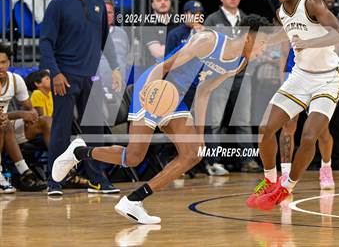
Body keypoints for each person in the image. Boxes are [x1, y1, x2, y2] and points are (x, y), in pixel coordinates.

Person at [51, 14, 272, 224]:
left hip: (177, 98)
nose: (263, 51)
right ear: (250, 36)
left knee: (193, 154)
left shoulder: (238, 63)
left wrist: (201, 132)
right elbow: (164, 66)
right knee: (134, 157)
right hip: (155, 86)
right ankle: (79, 152)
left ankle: (134, 200)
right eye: (262, 44)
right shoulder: (208, 40)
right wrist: (149, 96)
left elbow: (204, 92)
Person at [246, 0, 339, 211]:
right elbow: (290, 36)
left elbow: (338, 34)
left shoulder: (311, 2)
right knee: (265, 128)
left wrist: (310, 43)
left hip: (328, 77)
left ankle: (287, 187)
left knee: (310, 136)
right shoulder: (281, 12)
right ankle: (270, 180)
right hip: (300, 75)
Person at [39, 0, 123, 196]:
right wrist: (55, 73)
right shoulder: (58, 5)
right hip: (65, 77)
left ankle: (97, 180)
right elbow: (45, 42)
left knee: (94, 131)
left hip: (92, 76)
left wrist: (115, 67)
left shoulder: (97, 1)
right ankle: (53, 181)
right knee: (61, 130)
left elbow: (105, 38)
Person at [278, 0, 337, 190]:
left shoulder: (325, 23)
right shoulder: (290, 16)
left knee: (320, 132)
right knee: (288, 126)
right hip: (296, 76)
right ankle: (284, 174)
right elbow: (285, 50)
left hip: (322, 78)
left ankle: (326, 167)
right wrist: (282, 77)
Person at [204, 0, 261, 175]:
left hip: (243, 76)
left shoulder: (246, 19)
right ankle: (213, 161)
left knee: (243, 121)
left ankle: (248, 160)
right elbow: (206, 48)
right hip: (219, 77)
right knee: (215, 121)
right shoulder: (212, 20)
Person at [0, 44, 47, 192]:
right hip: (4, 126)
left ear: (9, 63)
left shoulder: (15, 80)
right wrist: (20, 114)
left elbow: (30, 107)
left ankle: (60, 172)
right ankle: (23, 173)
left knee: (47, 121)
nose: (0, 66)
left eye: (3, 62)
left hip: (6, 129)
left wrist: (33, 114)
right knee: (4, 123)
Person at [141, 0, 177, 66]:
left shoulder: (177, 23)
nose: (163, 2)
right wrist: (179, 45)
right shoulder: (148, 25)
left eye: (166, 0)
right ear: (153, 5)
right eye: (159, 0)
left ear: (170, 3)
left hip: (177, 69)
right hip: (156, 71)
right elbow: (158, 53)